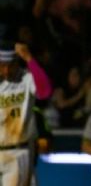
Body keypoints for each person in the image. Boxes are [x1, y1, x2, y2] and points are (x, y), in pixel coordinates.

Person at [0, 41, 52, 186]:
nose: (5, 70)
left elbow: (45, 92)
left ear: (16, 62)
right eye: (1, 65)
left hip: (17, 151)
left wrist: (29, 58)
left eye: (9, 66)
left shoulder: (26, 78)